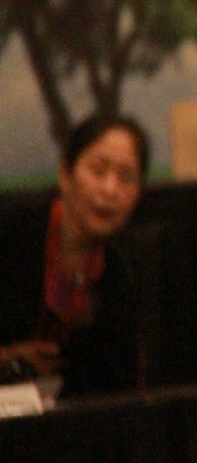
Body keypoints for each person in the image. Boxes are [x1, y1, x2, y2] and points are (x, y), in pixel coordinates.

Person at [0, 113, 150, 399]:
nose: (109, 190)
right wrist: (8, 358)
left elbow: (124, 387)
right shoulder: (11, 236)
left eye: (126, 177)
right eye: (98, 171)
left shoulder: (119, 273)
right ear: (65, 175)